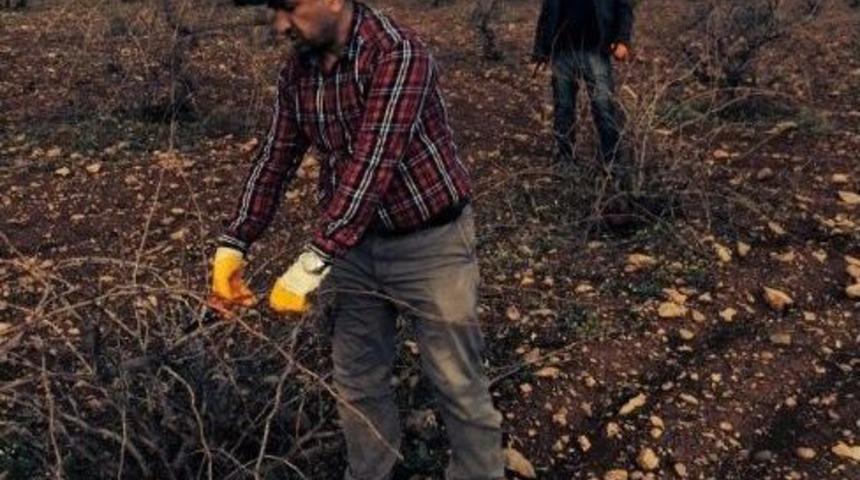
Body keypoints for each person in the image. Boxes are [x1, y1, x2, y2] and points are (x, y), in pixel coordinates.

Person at [208, 1, 504, 479]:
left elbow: (373, 165)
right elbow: (275, 157)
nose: (280, 26)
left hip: (431, 245)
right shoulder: (298, 73)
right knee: (358, 381)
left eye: (289, 8)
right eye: (274, 10)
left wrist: (311, 264)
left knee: (457, 382)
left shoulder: (397, 54)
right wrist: (235, 241)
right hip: (353, 250)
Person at [532, 0, 634, 170]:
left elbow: (623, 6)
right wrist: (540, 51)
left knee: (603, 107)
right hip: (562, 50)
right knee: (563, 109)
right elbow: (547, 12)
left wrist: (622, 39)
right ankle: (565, 161)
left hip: (596, 50)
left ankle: (612, 164)